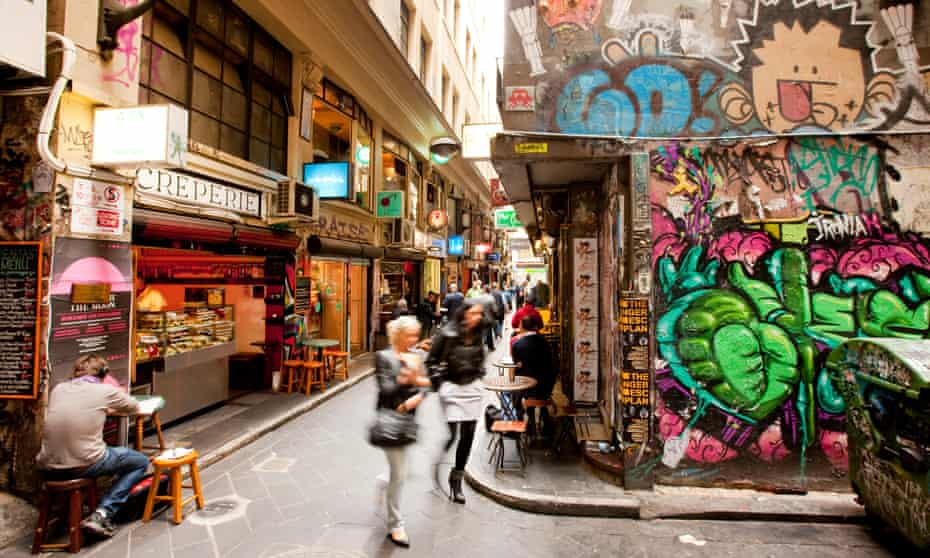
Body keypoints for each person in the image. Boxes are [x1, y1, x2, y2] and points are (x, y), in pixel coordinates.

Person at [36, 354, 151, 538]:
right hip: (85, 463)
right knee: (139, 461)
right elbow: (134, 407)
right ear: (104, 374)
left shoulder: (58, 389)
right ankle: (103, 512)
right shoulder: (104, 391)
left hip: (48, 464)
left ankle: (74, 513)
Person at [374, 317, 432, 548]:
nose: (414, 340)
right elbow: (386, 389)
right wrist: (407, 374)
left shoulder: (416, 356)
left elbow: (424, 385)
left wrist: (419, 392)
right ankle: (395, 525)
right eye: (410, 335)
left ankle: (382, 481)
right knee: (400, 474)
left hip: (408, 421)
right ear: (397, 335)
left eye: (416, 335)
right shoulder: (383, 358)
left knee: (401, 472)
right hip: (390, 421)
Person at [426, 300, 489, 504]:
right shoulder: (447, 333)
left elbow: (481, 355)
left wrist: (480, 372)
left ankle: (457, 478)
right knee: (453, 434)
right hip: (452, 387)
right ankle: (438, 462)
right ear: (463, 314)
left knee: (468, 435)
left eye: (480, 313)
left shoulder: (479, 332)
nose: (477, 317)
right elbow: (431, 361)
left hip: (472, 388)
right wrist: (438, 381)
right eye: (473, 313)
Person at [511, 317, 555, 436]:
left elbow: (517, 365)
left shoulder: (517, 345)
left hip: (528, 389)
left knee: (516, 386)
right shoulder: (545, 342)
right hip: (546, 387)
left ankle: (526, 419)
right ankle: (543, 415)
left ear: (522, 327)